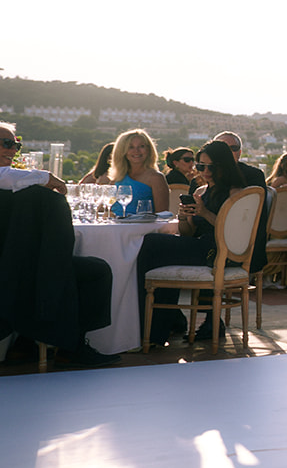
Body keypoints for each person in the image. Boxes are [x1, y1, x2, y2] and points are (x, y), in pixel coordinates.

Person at [0, 122, 120, 366]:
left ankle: (26, 342)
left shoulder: (16, 181)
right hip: (16, 268)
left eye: (16, 145)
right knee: (91, 271)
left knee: (60, 270)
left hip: (20, 265)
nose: (12, 150)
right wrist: (47, 177)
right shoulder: (15, 180)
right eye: (6, 143)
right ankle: (71, 348)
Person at [135, 139, 249, 346]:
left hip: (218, 250)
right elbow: (187, 233)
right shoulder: (200, 192)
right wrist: (183, 217)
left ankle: (154, 328)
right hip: (199, 246)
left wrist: (204, 213)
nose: (206, 171)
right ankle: (158, 328)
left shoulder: (235, 193)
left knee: (151, 244)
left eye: (211, 167)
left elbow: (231, 232)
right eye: (201, 166)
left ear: (223, 165)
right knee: (156, 250)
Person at [106, 129, 170, 215]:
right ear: (122, 151)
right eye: (131, 147)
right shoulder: (118, 177)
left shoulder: (156, 178)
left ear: (148, 149)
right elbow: (108, 206)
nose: (136, 151)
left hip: (142, 223)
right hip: (114, 222)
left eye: (141, 146)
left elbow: (162, 215)